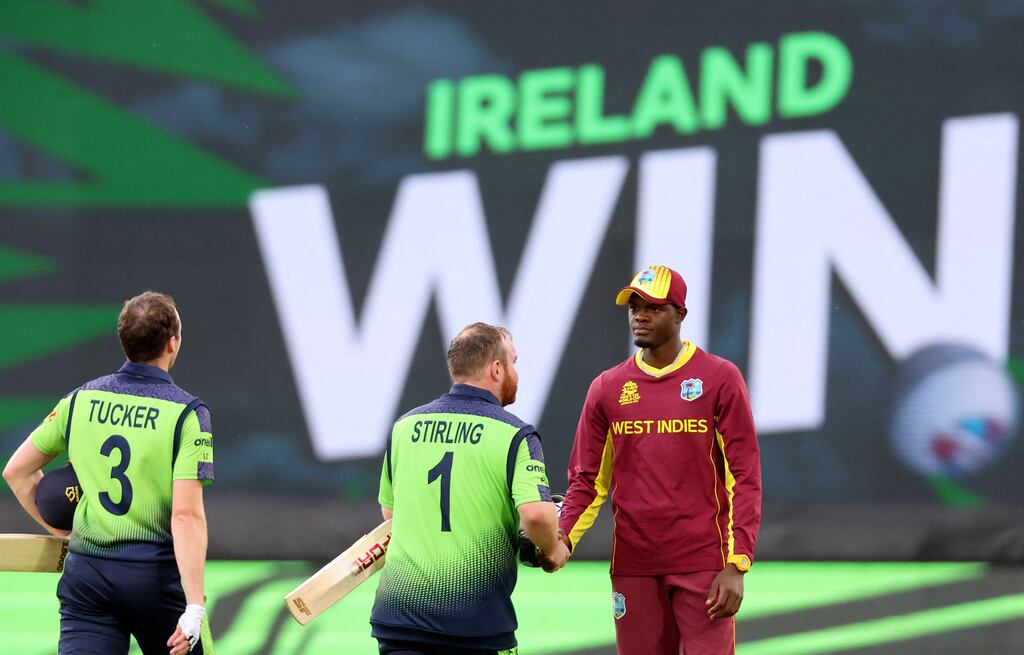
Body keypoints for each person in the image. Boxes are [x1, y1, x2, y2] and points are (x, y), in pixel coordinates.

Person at [558, 265, 761, 655]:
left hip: (704, 563)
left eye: (653, 308)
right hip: (634, 564)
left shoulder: (719, 377)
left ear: (680, 314)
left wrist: (737, 563)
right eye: (634, 307)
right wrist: (562, 538)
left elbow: (745, 475)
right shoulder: (607, 387)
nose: (641, 316)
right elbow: (588, 480)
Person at [2, 291, 214, 655]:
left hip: (88, 577)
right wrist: (194, 604)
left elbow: (16, 472)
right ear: (171, 342)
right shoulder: (187, 414)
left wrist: (66, 532)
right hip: (154, 581)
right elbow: (185, 516)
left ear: (125, 341)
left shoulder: (79, 400)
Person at [370, 322, 570, 655]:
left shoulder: (404, 427)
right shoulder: (515, 434)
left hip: (399, 617)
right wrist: (553, 549)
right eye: (513, 363)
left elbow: (391, 513)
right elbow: (536, 515)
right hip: (474, 625)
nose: (516, 373)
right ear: (496, 369)